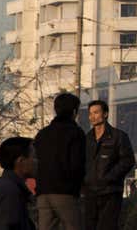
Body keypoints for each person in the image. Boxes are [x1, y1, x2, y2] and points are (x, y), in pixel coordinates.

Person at [33, 92, 86, 230]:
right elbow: (77, 164)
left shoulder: (42, 134)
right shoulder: (76, 133)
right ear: (74, 111)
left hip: (43, 192)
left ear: (56, 110)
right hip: (65, 191)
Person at [82, 100, 135, 230]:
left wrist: (109, 177)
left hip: (110, 192)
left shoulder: (119, 137)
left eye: (96, 112)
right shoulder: (87, 138)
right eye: (90, 113)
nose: (92, 116)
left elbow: (128, 161)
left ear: (105, 114)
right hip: (90, 193)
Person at [0, 136, 35, 230]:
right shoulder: (9, 191)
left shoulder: (5, 186)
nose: (38, 161)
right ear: (20, 161)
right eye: (34, 157)